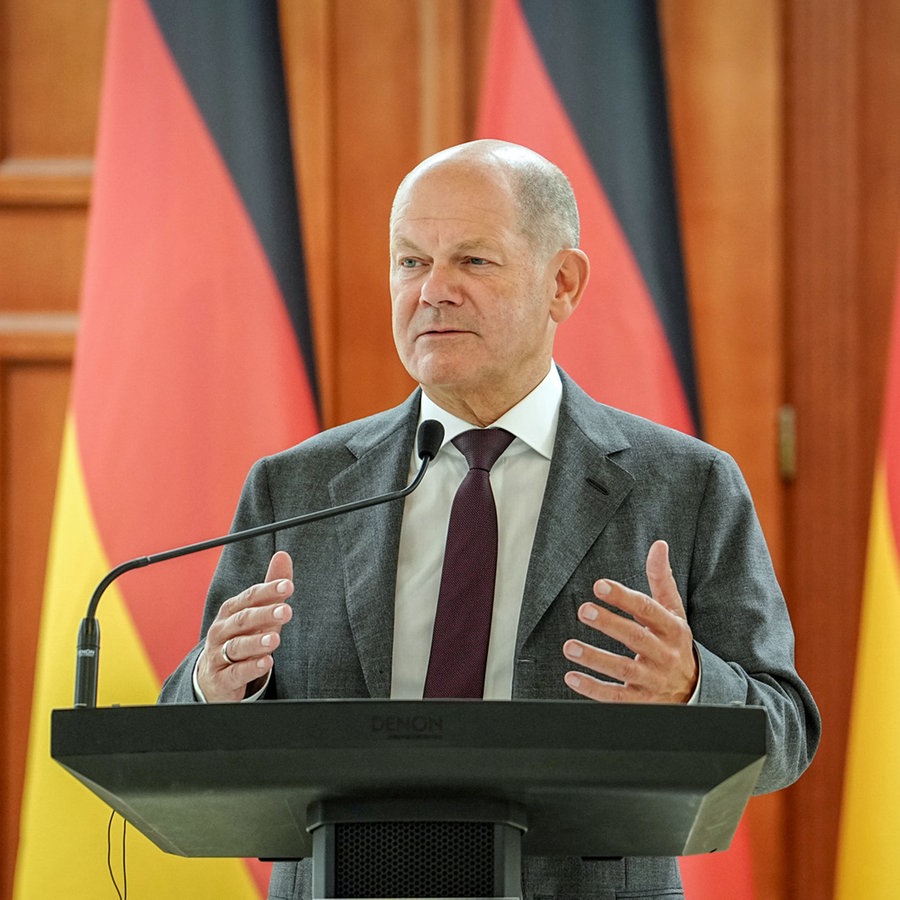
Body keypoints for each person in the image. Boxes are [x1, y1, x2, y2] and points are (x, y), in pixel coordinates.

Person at [160, 139, 820, 899]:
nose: (432, 290)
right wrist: (214, 688)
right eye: (410, 262)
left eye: (472, 261)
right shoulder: (298, 486)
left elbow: (786, 732)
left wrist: (693, 688)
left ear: (562, 283)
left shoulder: (685, 485)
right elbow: (196, 726)